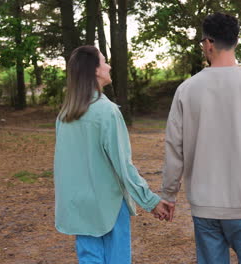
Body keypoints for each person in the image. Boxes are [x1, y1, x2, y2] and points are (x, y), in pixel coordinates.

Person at [161, 13, 241, 264]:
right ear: (235, 41)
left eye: (202, 43)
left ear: (208, 43)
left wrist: (169, 194)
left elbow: (174, 149)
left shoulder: (187, 90)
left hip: (205, 207)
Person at [54, 45, 173, 264]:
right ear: (95, 70)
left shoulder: (65, 115)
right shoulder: (106, 111)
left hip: (80, 206)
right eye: (103, 61)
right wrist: (151, 201)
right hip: (108, 205)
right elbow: (123, 166)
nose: (108, 65)